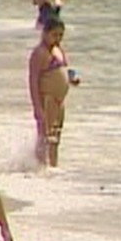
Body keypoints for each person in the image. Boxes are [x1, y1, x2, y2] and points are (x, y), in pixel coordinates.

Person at [28, 17, 80, 168]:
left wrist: (72, 78)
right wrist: (37, 107)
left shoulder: (59, 50)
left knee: (56, 138)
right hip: (47, 99)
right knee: (45, 137)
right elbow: (33, 81)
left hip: (60, 101)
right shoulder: (40, 53)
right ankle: (40, 167)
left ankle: (53, 167)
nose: (58, 39)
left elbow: (66, 69)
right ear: (44, 33)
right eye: (54, 35)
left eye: (60, 35)